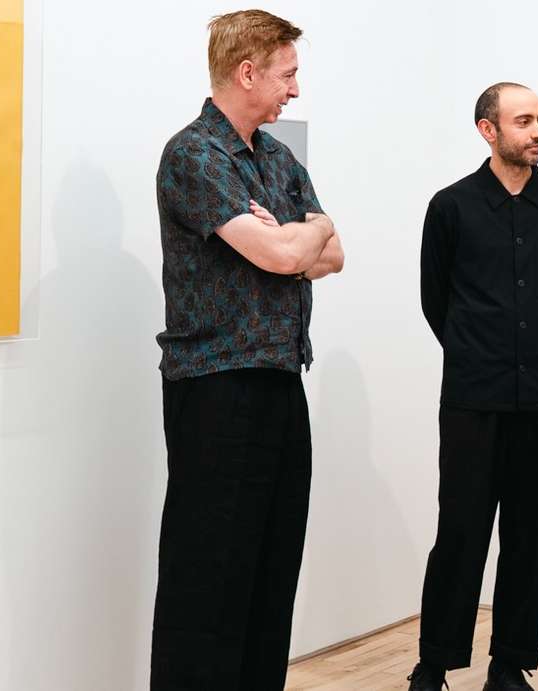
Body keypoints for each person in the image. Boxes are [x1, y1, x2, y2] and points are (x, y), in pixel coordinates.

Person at [151, 10, 343, 690]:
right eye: (288, 74)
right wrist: (296, 239)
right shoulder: (194, 155)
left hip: (279, 382)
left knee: (271, 562)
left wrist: (303, 233)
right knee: (209, 575)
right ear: (248, 72)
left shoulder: (277, 158)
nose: (295, 90)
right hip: (215, 389)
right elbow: (286, 249)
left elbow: (333, 252)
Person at [407, 82, 538, 691]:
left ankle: (509, 665)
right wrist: (476, 351)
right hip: (473, 396)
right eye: (524, 121)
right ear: (489, 130)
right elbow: (437, 302)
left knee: (530, 535)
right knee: (460, 532)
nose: (537, 132)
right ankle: (434, 663)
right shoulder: (450, 206)